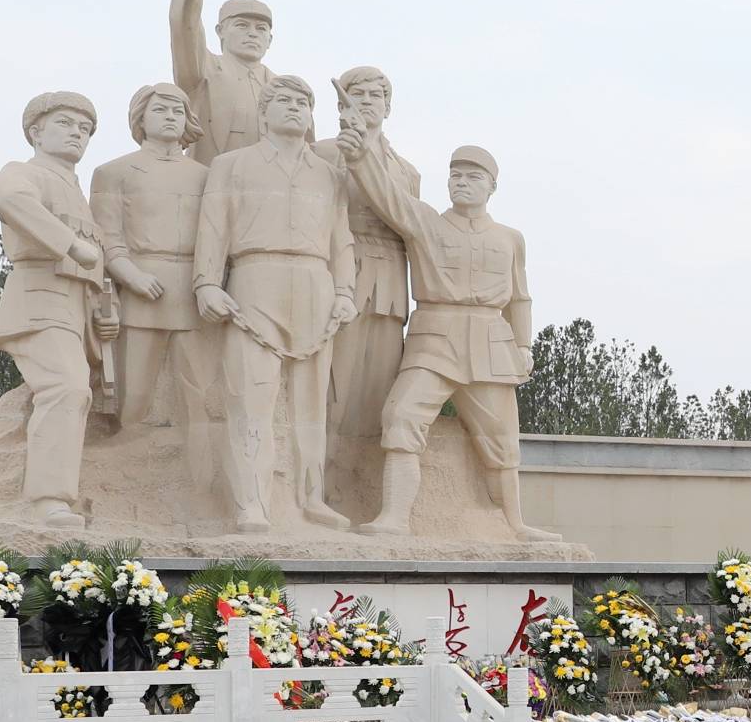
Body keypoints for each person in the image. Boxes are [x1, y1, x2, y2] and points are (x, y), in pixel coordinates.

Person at [333, 137, 554, 541]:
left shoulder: (510, 238)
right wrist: (362, 154)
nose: (462, 183)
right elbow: (388, 197)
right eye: (455, 176)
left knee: (502, 439)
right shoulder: (426, 222)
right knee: (401, 416)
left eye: (473, 177)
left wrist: (523, 345)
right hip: (435, 337)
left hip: (490, 342)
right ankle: (394, 517)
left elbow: (520, 297)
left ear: (492, 187)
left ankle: (514, 524)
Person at [192, 75, 359, 534]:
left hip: (315, 281)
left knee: (311, 404)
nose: (294, 108)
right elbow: (212, 228)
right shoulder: (232, 165)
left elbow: (341, 239)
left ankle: (311, 497)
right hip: (254, 278)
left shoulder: (328, 174)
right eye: (283, 100)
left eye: (303, 103)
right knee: (251, 397)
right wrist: (207, 282)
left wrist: (345, 292)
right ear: (263, 113)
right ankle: (252, 503)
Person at [0, 91, 110, 526]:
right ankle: (47, 502)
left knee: (78, 392)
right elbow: (11, 202)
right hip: (40, 296)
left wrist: (100, 314)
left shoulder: (78, 192)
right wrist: (69, 242)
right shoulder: (24, 173)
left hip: (76, 306)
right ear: (36, 131)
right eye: (65, 123)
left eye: (85, 128)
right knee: (66, 387)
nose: (77, 133)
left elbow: (95, 263)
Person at [326, 67, 420, 523]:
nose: (367, 101)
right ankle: (320, 491)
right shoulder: (325, 153)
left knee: (377, 396)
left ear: (388, 104)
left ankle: (367, 495)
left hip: (389, 283)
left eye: (376, 94)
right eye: (357, 93)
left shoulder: (406, 170)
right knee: (333, 391)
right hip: (341, 272)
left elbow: (409, 227)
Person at [88, 81, 207, 433]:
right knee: (133, 398)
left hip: (194, 290)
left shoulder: (206, 176)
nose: (170, 117)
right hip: (142, 289)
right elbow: (106, 237)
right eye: (160, 110)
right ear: (141, 117)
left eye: (177, 111)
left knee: (199, 393)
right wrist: (132, 276)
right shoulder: (114, 173)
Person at [167, 0, 281, 163]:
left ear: (270, 40)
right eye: (242, 25)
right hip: (211, 186)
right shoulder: (204, 71)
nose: (253, 34)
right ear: (221, 31)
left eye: (261, 29)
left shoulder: (282, 88)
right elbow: (184, 23)